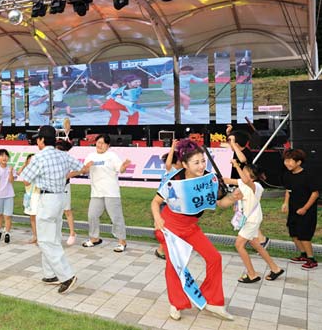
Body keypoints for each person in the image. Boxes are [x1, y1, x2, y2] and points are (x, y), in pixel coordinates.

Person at [152, 139, 238, 321]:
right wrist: (158, 218)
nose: (201, 166)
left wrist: (232, 198)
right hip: (170, 227)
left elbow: (219, 203)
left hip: (191, 227)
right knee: (175, 266)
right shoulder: (174, 179)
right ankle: (176, 303)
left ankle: (212, 301)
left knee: (215, 257)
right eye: (196, 162)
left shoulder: (208, 179)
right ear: (184, 164)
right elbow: (156, 202)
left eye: (203, 161)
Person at [20, 129, 83, 294]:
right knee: (53, 237)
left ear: (41, 140)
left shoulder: (38, 157)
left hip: (47, 199)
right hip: (60, 197)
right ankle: (50, 274)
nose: (37, 142)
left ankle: (66, 276)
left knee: (46, 241)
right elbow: (80, 167)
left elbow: (26, 178)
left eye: (37, 140)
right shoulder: (62, 155)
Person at [227, 157, 284, 283]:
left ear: (250, 176)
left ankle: (252, 274)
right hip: (251, 219)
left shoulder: (254, 186)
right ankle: (275, 269)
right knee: (256, 245)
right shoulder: (245, 183)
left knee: (239, 245)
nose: (241, 170)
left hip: (251, 221)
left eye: (244, 170)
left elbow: (245, 180)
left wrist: (236, 165)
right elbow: (227, 180)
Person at [77, 135, 131, 252]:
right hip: (96, 192)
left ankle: (122, 241)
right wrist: (87, 167)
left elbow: (120, 169)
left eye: (102, 143)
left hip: (111, 192)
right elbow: (84, 171)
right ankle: (94, 238)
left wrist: (124, 166)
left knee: (116, 217)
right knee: (92, 215)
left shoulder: (112, 156)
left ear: (108, 145)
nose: (99, 145)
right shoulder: (91, 156)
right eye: (98, 142)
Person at [281, 149, 317, 270]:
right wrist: (285, 203)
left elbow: (315, 194)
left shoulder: (308, 175)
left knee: (304, 235)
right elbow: (288, 190)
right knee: (294, 233)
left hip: (306, 211)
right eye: (286, 160)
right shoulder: (287, 175)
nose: (287, 163)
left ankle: (311, 259)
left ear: (299, 162)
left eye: (290, 161)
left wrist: (305, 208)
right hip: (293, 209)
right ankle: (303, 255)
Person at [55, 138, 79, 246]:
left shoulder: (68, 159)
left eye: (60, 149)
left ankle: (72, 233)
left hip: (65, 187)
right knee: (56, 211)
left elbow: (80, 169)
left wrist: (68, 175)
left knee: (67, 211)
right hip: (54, 188)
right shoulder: (52, 158)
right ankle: (56, 234)